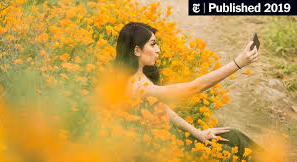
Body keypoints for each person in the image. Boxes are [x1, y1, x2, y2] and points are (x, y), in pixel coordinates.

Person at [113, 22, 263, 160]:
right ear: (137, 50)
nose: (158, 50)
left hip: (165, 139)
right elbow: (194, 87)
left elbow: (160, 107)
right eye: (152, 45)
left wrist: (198, 133)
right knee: (234, 140)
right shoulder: (137, 85)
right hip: (165, 151)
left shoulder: (133, 76)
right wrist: (238, 63)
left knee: (233, 136)